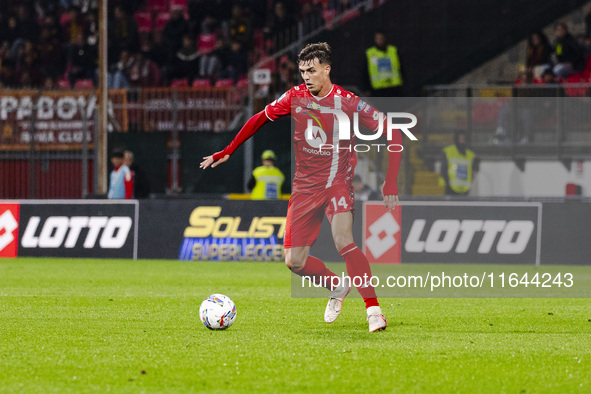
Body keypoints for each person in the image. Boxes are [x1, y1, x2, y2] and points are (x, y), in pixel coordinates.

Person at [200, 42, 402, 332]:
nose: (306, 76)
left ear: (326, 69)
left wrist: (390, 180)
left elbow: (393, 131)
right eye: (302, 71)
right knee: (294, 261)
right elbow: (260, 118)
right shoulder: (295, 96)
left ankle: (374, 311)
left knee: (344, 240)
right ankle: (337, 286)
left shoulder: (348, 101)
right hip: (305, 189)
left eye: (311, 70)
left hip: (337, 183)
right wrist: (228, 149)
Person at [365, 29, 403, 97]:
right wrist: (367, 88)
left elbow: (402, 68)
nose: (379, 41)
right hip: (378, 89)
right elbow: (364, 72)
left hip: (394, 87)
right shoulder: (370, 53)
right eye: (377, 38)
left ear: (385, 39)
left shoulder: (393, 50)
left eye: (381, 38)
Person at [440, 130, 477, 196]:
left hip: (465, 190)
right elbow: (444, 169)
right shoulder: (448, 151)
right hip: (450, 189)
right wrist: (447, 184)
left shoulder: (470, 155)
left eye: (463, 138)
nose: (462, 140)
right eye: (460, 138)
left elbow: (472, 171)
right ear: (456, 139)